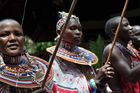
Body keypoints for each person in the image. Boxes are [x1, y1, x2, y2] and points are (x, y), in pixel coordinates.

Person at [46, 11, 114, 93]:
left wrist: (102, 81)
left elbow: (95, 85)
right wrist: (95, 81)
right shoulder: (56, 60)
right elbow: (60, 90)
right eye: (72, 28)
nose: (78, 32)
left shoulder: (83, 55)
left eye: (80, 29)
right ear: (59, 32)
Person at [0, 19, 54, 93]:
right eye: (4, 35)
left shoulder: (37, 71)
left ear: (23, 40)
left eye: (18, 34)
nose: (13, 38)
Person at [102, 16, 140, 93]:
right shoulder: (111, 49)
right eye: (126, 25)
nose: (131, 28)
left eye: (129, 24)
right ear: (114, 31)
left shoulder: (129, 48)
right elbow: (131, 76)